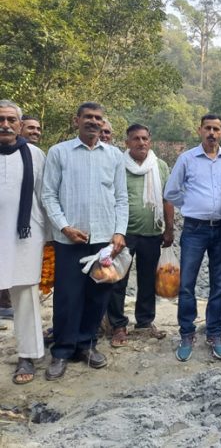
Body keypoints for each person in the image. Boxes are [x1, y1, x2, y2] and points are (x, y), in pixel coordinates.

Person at [42, 102, 128, 381]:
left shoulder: (114, 155)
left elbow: (121, 198)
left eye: (98, 118)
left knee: (98, 294)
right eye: (88, 117)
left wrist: (119, 232)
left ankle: (86, 344)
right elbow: (48, 195)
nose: (94, 122)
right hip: (69, 240)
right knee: (67, 296)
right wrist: (65, 227)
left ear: (104, 123)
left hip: (104, 240)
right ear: (76, 120)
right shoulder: (59, 152)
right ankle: (63, 350)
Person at [164, 114, 221, 362]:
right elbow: (171, 191)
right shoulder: (187, 159)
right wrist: (193, 204)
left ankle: (214, 333)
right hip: (195, 229)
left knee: (219, 283)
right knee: (187, 283)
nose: (212, 133)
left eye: (216, 129)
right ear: (200, 130)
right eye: (208, 128)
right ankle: (187, 333)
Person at [106, 124, 174, 348]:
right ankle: (118, 325)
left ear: (150, 141)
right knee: (118, 281)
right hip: (123, 234)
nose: (141, 142)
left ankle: (145, 322)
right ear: (127, 143)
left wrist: (169, 228)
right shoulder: (118, 164)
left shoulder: (160, 166)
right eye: (135, 139)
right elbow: (111, 197)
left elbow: (167, 199)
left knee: (147, 280)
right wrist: (114, 230)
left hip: (152, 233)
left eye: (145, 138)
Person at [0, 100, 47, 384]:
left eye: (10, 120)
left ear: (19, 125)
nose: (4, 125)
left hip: (25, 236)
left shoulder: (35, 154)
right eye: (0, 119)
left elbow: (45, 196)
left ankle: (27, 355)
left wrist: (51, 237)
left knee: (26, 296)